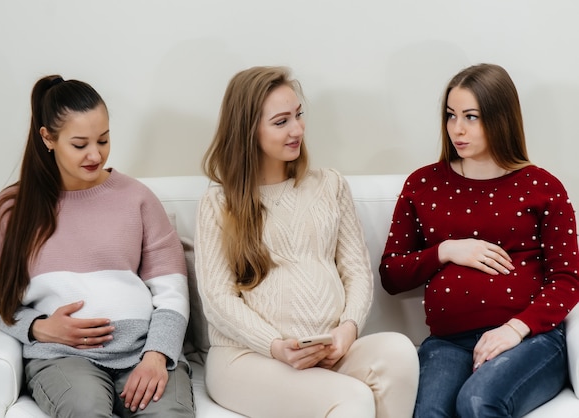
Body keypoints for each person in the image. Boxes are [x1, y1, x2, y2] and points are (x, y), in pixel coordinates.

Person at [194, 66, 419, 418]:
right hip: (248, 359)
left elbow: (356, 273)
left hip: (327, 350)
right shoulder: (219, 203)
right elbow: (217, 300)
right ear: (248, 129)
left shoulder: (329, 185)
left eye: (298, 115)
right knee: (353, 398)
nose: (297, 129)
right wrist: (275, 346)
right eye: (281, 121)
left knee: (400, 352)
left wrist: (347, 330)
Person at [0, 75, 195, 418]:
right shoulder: (12, 210)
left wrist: (157, 355)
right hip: (63, 358)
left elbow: (172, 291)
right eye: (80, 144)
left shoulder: (137, 198)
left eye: (104, 140)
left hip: (143, 351)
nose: (95, 154)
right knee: (85, 410)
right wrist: (38, 328)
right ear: (48, 138)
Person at [380, 63, 579, 417]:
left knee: (476, 401)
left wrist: (515, 329)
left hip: (530, 340)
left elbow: (567, 280)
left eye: (472, 117)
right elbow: (391, 275)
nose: (458, 128)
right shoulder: (423, 185)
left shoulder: (542, 186)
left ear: (500, 118)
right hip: (447, 342)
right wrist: (445, 251)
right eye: (451, 115)